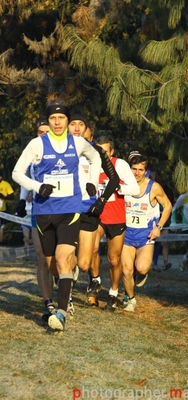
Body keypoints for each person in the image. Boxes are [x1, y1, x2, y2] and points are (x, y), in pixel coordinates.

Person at [12, 99, 102, 332]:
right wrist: (36, 186)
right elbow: (17, 173)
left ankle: (61, 313)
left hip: (70, 210)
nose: (57, 122)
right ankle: (63, 284)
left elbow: (96, 157)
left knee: (63, 258)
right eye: (53, 118)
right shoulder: (37, 144)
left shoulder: (78, 142)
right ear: (49, 120)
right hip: (44, 212)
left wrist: (92, 182)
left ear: (68, 120)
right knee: (52, 265)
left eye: (62, 118)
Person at [68, 111, 119, 312]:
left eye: (82, 124)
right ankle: (67, 294)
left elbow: (113, 179)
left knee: (83, 263)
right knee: (66, 254)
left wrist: (102, 201)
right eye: (73, 123)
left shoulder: (96, 150)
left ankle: (71, 274)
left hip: (89, 211)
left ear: (88, 129)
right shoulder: (59, 149)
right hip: (66, 209)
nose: (77, 128)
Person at [87, 135, 139, 312]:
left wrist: (119, 188)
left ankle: (113, 293)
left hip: (117, 218)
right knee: (92, 248)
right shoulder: (90, 166)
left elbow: (135, 188)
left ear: (112, 152)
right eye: (98, 151)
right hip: (98, 216)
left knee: (114, 260)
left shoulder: (120, 165)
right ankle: (95, 280)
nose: (101, 156)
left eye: (105, 152)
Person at [15, 116, 56, 322]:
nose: (43, 135)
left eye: (46, 131)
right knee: (42, 257)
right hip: (38, 210)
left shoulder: (62, 151)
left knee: (58, 260)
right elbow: (24, 177)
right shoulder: (32, 152)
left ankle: (66, 286)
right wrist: (22, 201)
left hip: (61, 211)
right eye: (40, 132)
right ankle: (48, 303)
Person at [121, 155, 172, 312]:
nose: (137, 173)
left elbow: (168, 206)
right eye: (134, 169)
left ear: (146, 171)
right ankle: (130, 299)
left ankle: (142, 272)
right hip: (127, 234)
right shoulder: (123, 185)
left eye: (140, 170)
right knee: (126, 270)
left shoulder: (154, 187)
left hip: (146, 235)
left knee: (142, 268)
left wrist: (159, 227)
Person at [171, 192, 188, 279]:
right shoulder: (183, 197)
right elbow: (174, 209)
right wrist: (173, 222)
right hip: (186, 228)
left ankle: (185, 258)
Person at [0, 171, 15, 243]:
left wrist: (3, 196)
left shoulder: (5, 184)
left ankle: (1, 243)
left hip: (2, 210)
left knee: (1, 227)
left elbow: (12, 196)